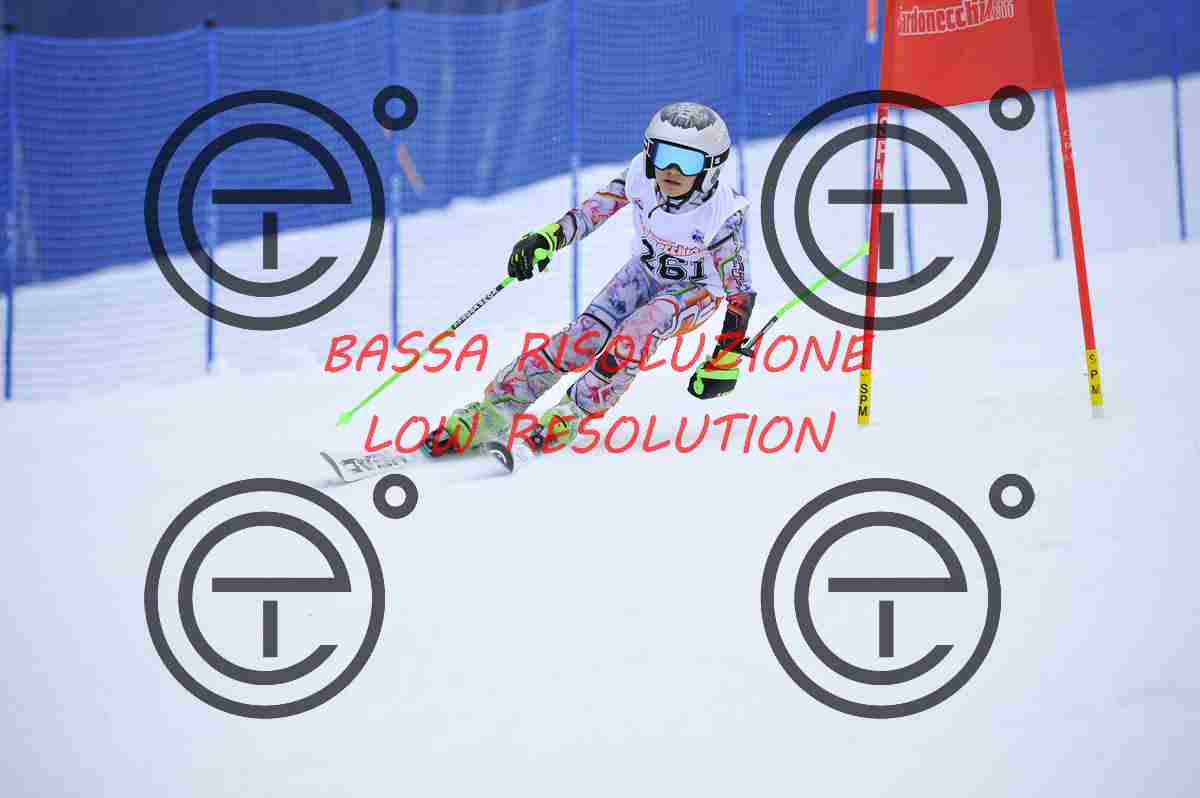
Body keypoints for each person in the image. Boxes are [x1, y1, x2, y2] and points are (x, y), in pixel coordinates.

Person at [428, 101, 756, 454]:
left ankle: (572, 413)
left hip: (696, 290)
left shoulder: (721, 214)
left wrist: (725, 360)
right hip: (645, 272)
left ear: (710, 168)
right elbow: (592, 212)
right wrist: (548, 238)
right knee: (582, 337)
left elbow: (740, 293)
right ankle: (495, 412)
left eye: (687, 161)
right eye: (663, 155)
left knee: (640, 329)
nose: (671, 170)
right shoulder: (640, 176)